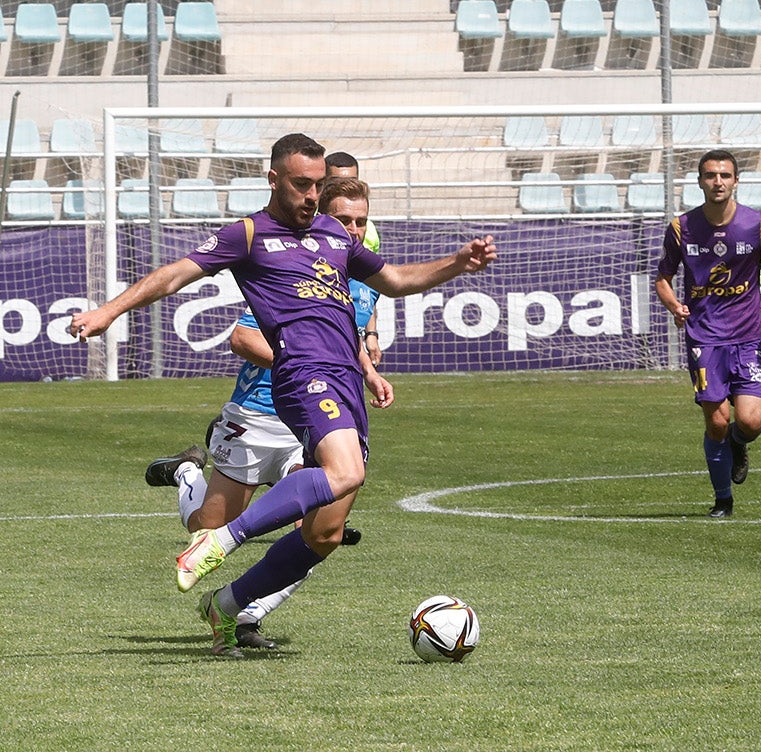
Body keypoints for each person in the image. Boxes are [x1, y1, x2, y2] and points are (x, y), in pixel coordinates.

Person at [70, 133, 497, 656]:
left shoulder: (335, 237)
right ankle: (217, 542)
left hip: (344, 383)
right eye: (301, 185)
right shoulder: (249, 234)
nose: (312, 196)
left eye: (318, 185)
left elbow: (397, 280)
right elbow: (173, 276)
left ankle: (226, 606)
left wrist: (457, 263)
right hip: (301, 374)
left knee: (325, 532)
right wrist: (108, 312)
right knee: (345, 473)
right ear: (274, 180)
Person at [141, 176, 383, 651]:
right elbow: (244, 336)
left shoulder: (359, 265)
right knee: (206, 526)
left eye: (361, 221)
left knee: (323, 530)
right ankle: (189, 473)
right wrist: (303, 357)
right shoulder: (289, 259)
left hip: (324, 410)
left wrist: (367, 366)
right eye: (344, 220)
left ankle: (239, 610)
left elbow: (349, 326)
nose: (353, 230)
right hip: (261, 412)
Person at [655, 149, 761, 519]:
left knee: (749, 421)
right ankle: (723, 500)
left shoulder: (757, 223)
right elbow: (662, 279)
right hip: (704, 338)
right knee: (716, 420)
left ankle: (738, 443)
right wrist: (674, 306)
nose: (718, 182)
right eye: (711, 175)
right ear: (700, 181)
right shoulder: (682, 227)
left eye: (725, 175)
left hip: (747, 338)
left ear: (736, 180)